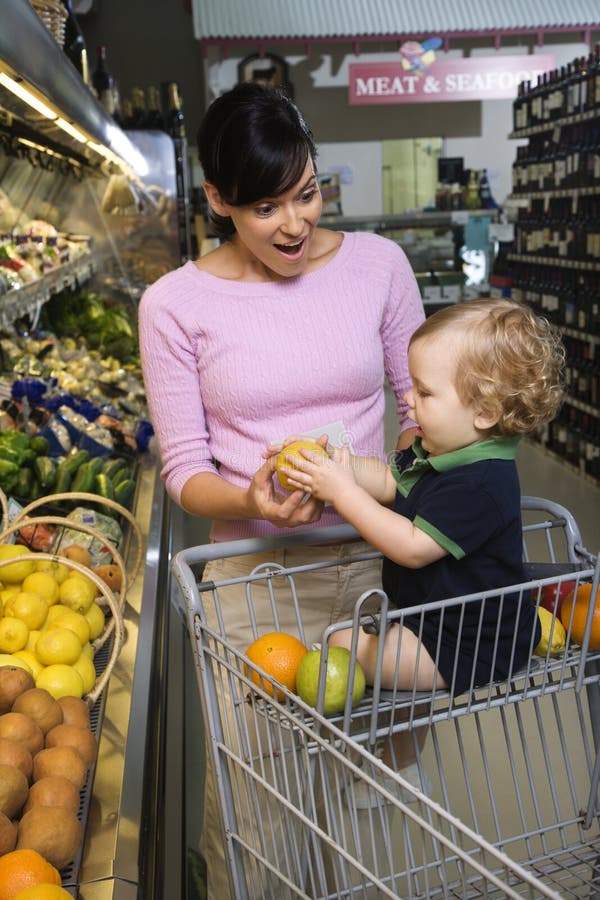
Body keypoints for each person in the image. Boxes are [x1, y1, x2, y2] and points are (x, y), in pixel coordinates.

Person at [138, 81, 425, 898]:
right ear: (218, 200)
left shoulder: (378, 265)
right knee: (261, 810)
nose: (295, 224)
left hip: (381, 566)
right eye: (266, 208)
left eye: (307, 192)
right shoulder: (174, 306)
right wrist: (252, 502)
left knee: (375, 795)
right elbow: (187, 472)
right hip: (256, 587)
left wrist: (375, 482)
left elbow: (421, 411)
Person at [274, 298, 565, 795]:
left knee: (343, 643)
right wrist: (338, 466)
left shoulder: (481, 483)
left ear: (484, 412)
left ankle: (392, 762)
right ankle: (401, 762)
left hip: (472, 643)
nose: (406, 399)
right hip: (431, 618)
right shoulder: (441, 451)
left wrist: (339, 493)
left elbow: (410, 547)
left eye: (425, 392)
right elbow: (389, 479)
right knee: (390, 665)